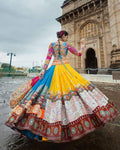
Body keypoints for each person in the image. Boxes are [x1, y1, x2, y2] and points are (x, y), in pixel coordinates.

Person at [5, 30, 119, 143]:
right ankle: (74, 124)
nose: (67, 38)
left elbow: (48, 59)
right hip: (66, 70)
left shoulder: (52, 45)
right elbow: (79, 54)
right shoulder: (67, 45)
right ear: (63, 36)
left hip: (53, 70)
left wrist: (43, 71)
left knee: (43, 94)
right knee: (77, 93)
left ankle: (37, 124)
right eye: (66, 36)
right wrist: (83, 45)